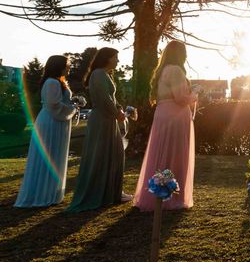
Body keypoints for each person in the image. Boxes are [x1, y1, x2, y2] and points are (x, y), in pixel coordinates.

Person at [133, 40, 197, 211]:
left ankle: (159, 191)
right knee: (175, 153)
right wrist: (195, 95)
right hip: (175, 116)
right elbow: (180, 98)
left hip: (163, 113)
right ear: (180, 54)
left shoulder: (163, 71)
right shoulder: (175, 70)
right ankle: (172, 196)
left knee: (162, 152)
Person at [67, 47, 129, 212]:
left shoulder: (105, 74)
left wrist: (119, 109)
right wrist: (117, 113)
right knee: (100, 155)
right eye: (116, 57)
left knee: (114, 154)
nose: (118, 60)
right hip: (102, 120)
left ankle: (112, 192)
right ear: (107, 58)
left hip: (108, 119)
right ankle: (98, 194)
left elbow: (111, 98)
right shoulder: (98, 74)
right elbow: (103, 98)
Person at [15, 55, 79, 207]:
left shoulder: (58, 82)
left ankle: (51, 191)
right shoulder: (51, 82)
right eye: (67, 65)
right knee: (49, 155)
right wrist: (73, 109)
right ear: (59, 66)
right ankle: (43, 193)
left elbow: (59, 102)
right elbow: (54, 106)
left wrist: (73, 103)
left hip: (57, 121)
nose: (68, 67)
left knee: (55, 155)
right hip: (51, 122)